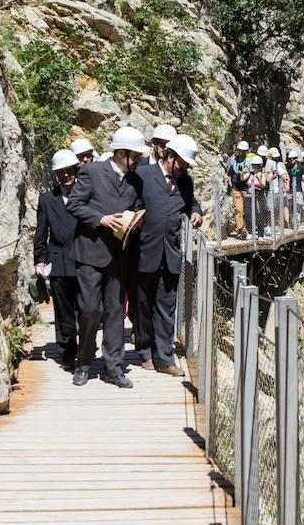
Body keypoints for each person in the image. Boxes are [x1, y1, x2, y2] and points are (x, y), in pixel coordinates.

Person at [66, 127, 146, 388]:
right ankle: (84, 362)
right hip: (90, 253)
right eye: (135, 156)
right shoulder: (91, 171)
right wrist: (100, 219)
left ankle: (114, 368)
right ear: (121, 153)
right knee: (90, 310)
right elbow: (74, 204)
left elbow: (135, 207)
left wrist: (133, 220)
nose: (139, 161)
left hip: (118, 256)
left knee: (115, 313)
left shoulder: (136, 181)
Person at [135, 134, 203, 377]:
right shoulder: (144, 176)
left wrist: (196, 213)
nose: (184, 170)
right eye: (182, 164)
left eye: (187, 167)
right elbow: (131, 204)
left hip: (170, 254)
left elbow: (192, 203)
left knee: (166, 307)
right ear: (170, 156)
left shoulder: (186, 182)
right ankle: (144, 352)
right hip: (144, 252)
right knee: (142, 305)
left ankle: (164, 359)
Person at [34, 149, 80, 371]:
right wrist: (40, 260)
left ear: (75, 171)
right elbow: (41, 232)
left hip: (83, 259)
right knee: (63, 310)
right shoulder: (47, 200)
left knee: (87, 309)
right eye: (61, 172)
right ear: (56, 174)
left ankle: (85, 348)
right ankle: (67, 354)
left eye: (69, 171)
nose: (66, 175)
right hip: (59, 260)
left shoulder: (85, 195)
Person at [227, 141, 250, 239]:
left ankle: (246, 229)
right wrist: (230, 183)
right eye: (239, 151)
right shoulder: (233, 160)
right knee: (239, 210)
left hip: (246, 189)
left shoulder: (248, 161)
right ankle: (240, 230)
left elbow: (252, 174)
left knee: (246, 211)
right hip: (236, 189)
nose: (240, 153)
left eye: (242, 151)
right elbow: (230, 172)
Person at [244, 156, 267, 238]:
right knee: (247, 214)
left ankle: (260, 234)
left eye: (256, 165)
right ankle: (250, 232)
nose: (254, 167)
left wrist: (258, 179)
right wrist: (241, 172)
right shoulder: (250, 174)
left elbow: (263, 185)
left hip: (259, 197)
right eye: (253, 165)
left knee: (259, 215)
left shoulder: (262, 175)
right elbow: (242, 178)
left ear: (259, 166)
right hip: (249, 196)